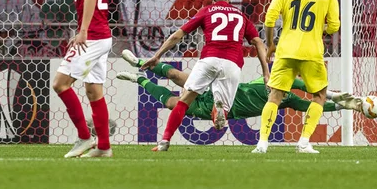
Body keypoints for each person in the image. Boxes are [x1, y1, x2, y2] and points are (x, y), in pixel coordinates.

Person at [141, 0, 270, 152]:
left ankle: (164, 141)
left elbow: (177, 35)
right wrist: (266, 71)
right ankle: (220, 111)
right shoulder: (241, 15)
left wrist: (157, 55)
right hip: (232, 64)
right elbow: (259, 42)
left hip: (209, 60)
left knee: (184, 101)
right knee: (225, 108)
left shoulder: (207, 11)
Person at [253, 0, 340, 154]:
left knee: (274, 96)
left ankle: (262, 143)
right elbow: (335, 26)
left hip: (286, 50)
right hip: (311, 52)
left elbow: (269, 19)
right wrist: (321, 28)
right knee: (319, 96)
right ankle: (303, 142)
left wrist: (270, 43)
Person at [117, 49, 364, 121]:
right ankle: (140, 62)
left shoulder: (287, 97)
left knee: (173, 102)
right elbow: (311, 89)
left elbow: (314, 104)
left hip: (224, 111)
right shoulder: (274, 79)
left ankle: (138, 79)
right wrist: (334, 95)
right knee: (178, 76)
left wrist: (345, 106)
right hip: (221, 90)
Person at [52, 0, 113, 158]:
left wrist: (83, 31)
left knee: (60, 84)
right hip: (104, 35)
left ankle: (85, 137)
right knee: (93, 91)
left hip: (94, 36)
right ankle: (104, 147)